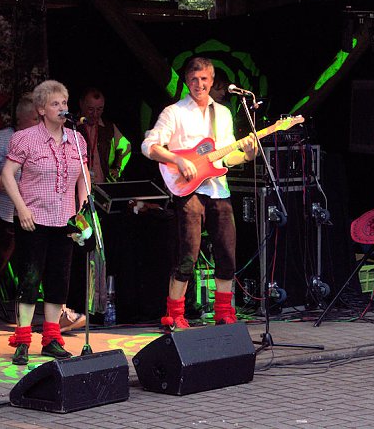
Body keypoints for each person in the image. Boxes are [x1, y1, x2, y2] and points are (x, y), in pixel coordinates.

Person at [141, 57, 256, 330]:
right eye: (194, 79)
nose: (199, 84)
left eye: (204, 79)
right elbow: (149, 145)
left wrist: (248, 154)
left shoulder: (224, 113)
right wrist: (179, 161)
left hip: (218, 188)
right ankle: (174, 313)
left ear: (212, 80)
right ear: (186, 81)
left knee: (227, 251)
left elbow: (226, 157)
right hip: (188, 190)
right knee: (187, 254)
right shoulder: (174, 112)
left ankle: (224, 311)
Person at [0, 95, 85, 333]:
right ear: (20, 118)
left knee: (50, 264)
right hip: (5, 210)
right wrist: (11, 187)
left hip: (43, 213)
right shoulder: (4, 138)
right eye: (34, 117)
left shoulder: (57, 139)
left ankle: (57, 314)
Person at [1, 80, 89, 365]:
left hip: (64, 219)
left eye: (64, 103)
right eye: (55, 104)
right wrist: (21, 208)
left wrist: (81, 207)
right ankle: (23, 339)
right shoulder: (25, 138)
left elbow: (83, 175)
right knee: (30, 278)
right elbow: (7, 174)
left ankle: (51, 339)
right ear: (41, 109)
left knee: (58, 279)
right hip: (33, 219)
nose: (62, 108)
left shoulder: (77, 138)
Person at [77, 87, 130, 183]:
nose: (95, 114)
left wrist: (118, 169)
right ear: (81, 104)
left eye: (99, 109)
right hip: (78, 187)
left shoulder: (108, 127)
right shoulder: (71, 127)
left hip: (103, 186)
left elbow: (126, 147)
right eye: (90, 109)